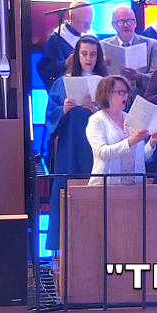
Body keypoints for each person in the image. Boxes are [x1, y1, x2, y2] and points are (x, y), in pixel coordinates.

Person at [44, 35, 107, 251]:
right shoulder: (63, 82)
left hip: (97, 147)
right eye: (84, 53)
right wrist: (63, 109)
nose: (88, 58)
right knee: (67, 189)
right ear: (77, 56)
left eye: (93, 54)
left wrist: (95, 109)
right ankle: (63, 249)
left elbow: (119, 115)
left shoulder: (106, 83)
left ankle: (97, 246)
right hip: (71, 146)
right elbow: (50, 114)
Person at [86, 75, 157, 185]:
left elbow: (140, 157)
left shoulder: (131, 118)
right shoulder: (97, 120)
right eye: (120, 92)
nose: (126, 95)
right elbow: (102, 153)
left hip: (136, 187)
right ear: (107, 94)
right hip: (106, 187)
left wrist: (152, 142)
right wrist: (131, 141)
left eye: (126, 91)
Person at [101, 6, 157, 96]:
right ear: (114, 25)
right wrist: (100, 65)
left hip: (141, 97)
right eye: (121, 22)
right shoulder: (102, 46)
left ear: (135, 23)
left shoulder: (151, 45)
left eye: (130, 21)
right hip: (112, 97)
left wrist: (139, 77)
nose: (126, 25)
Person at [37, 0, 94, 87]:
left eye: (90, 22)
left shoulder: (92, 37)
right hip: (67, 88)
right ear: (72, 18)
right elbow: (46, 69)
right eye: (84, 23)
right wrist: (65, 63)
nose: (88, 27)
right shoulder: (57, 39)